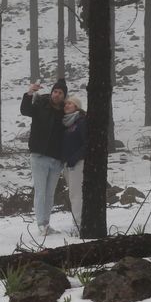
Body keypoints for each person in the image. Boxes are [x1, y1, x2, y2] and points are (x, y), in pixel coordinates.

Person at [20, 78, 67, 235]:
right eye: (55, 91)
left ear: (64, 96)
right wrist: (29, 93)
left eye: (60, 93)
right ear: (51, 92)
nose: (56, 95)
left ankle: (46, 223)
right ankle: (41, 224)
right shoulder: (40, 105)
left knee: (50, 193)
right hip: (39, 155)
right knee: (40, 191)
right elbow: (25, 110)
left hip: (57, 159)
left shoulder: (64, 112)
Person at [62, 96, 86, 228]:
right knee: (73, 194)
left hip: (78, 163)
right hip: (68, 164)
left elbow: (87, 143)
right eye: (65, 104)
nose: (66, 105)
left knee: (76, 195)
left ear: (76, 106)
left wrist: (75, 158)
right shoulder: (67, 123)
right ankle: (79, 222)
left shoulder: (81, 121)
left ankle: (79, 224)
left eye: (70, 103)